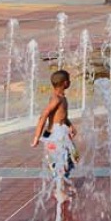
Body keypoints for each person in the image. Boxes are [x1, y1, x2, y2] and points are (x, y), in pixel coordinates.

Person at [31, 70, 78, 202]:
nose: (70, 82)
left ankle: (62, 185)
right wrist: (37, 137)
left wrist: (70, 125)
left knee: (73, 158)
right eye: (69, 80)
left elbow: (61, 116)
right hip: (54, 135)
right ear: (65, 83)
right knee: (60, 163)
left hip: (60, 133)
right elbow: (44, 116)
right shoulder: (56, 99)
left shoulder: (61, 98)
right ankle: (59, 191)